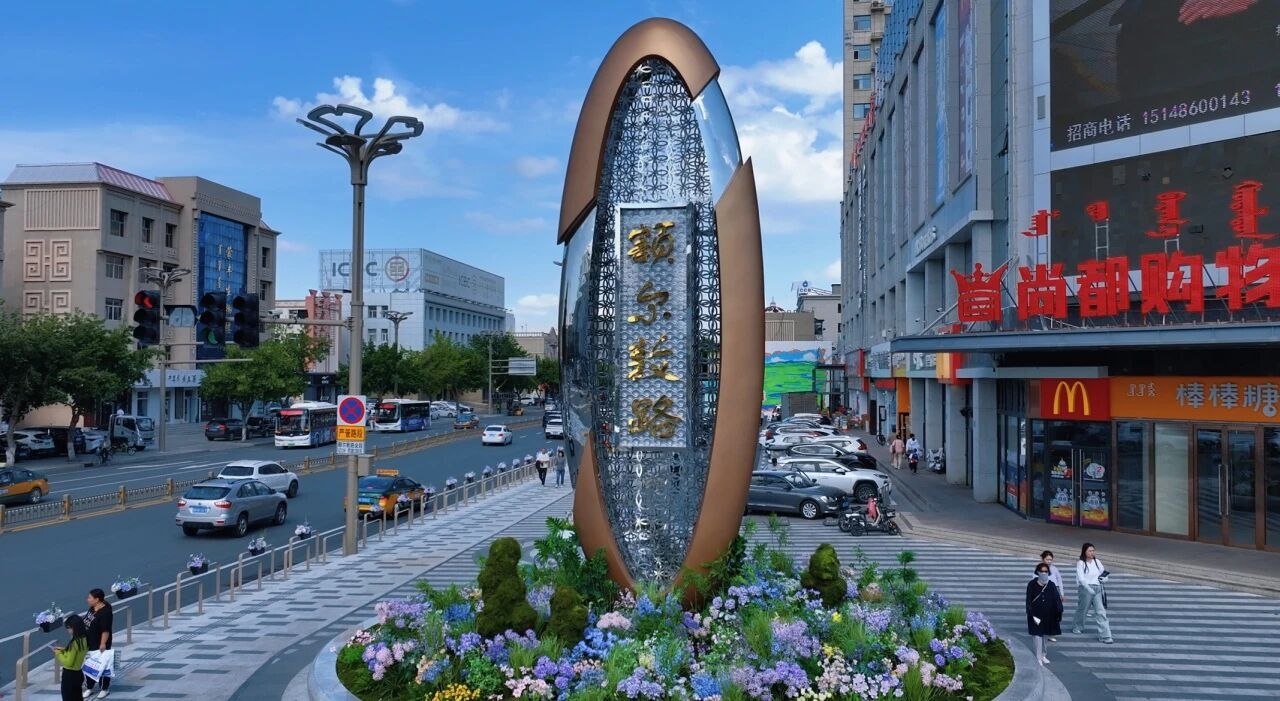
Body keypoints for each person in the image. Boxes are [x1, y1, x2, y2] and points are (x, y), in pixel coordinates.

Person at [1071, 542, 1114, 644]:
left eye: (1093, 550)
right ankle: (1078, 626)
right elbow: (1081, 578)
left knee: (1100, 612)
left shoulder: (1097, 562)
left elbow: (1103, 573)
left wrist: (1105, 579)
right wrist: (1087, 588)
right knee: (1083, 609)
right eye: (1089, 551)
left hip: (1097, 587)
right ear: (1084, 552)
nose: (1092, 553)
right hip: (1086, 588)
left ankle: (1105, 636)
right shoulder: (1081, 563)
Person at [1026, 562, 1063, 666]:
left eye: (1046, 571)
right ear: (1037, 572)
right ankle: (1038, 657)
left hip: (1049, 615)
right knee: (1037, 635)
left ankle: (1043, 655)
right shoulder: (1032, 584)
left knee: (1045, 635)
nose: (1044, 573)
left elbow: (1056, 599)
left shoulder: (1051, 585)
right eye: (1041, 571)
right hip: (1036, 614)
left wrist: (1059, 612)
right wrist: (1030, 612)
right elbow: (1028, 599)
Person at [82, 588, 114, 698]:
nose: (87, 599)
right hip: (89, 642)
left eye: (89, 598)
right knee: (89, 665)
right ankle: (89, 687)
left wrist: (103, 643)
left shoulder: (105, 612)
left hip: (99, 643)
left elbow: (106, 630)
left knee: (103, 665)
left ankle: (104, 688)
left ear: (97, 599)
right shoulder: (92, 608)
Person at [1031, 550, 1065, 641]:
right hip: (1044, 594)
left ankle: (1051, 633)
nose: (1049, 561)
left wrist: (1062, 594)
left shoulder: (1054, 569)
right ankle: (1041, 630)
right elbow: (1034, 582)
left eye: (1051, 560)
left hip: (1054, 593)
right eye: (1047, 559)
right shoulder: (1039, 569)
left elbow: (1059, 581)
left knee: (1055, 613)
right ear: (1043, 559)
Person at [52, 614, 87, 701]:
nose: (67, 630)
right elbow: (77, 652)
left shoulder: (75, 642)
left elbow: (68, 662)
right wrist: (64, 650)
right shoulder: (84, 639)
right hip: (78, 673)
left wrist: (58, 653)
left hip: (69, 675)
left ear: (74, 628)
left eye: (68, 628)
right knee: (78, 697)